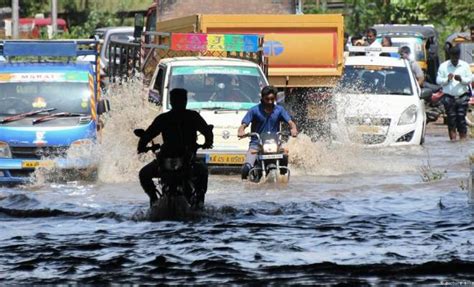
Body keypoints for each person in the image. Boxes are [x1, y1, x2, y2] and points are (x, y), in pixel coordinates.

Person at [137, 88, 214, 207]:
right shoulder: (192, 116)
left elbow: (147, 135)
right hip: (177, 160)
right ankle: (199, 202)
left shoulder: (164, 118)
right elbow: (207, 133)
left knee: (144, 173)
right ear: (185, 101)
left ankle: (154, 199)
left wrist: (142, 146)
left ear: (171, 101)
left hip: (181, 160)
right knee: (203, 172)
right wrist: (207, 142)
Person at [237, 85, 298, 180]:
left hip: (274, 143)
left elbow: (290, 122)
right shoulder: (254, 110)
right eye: (267, 99)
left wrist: (293, 129)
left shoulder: (279, 110)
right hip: (256, 144)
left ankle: (283, 178)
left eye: (272, 99)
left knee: (285, 156)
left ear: (275, 98)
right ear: (262, 98)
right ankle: (246, 185)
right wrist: (241, 131)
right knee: (246, 169)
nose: (270, 102)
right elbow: (244, 125)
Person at [436, 45, 473, 141]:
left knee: (461, 119)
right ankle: (453, 141)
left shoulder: (464, 65)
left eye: (456, 57)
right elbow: (438, 80)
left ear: (459, 56)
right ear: (450, 56)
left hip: (462, 96)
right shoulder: (444, 66)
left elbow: (470, 79)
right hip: (449, 97)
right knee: (451, 120)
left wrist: (461, 79)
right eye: (453, 57)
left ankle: (462, 141)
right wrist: (447, 79)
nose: (455, 60)